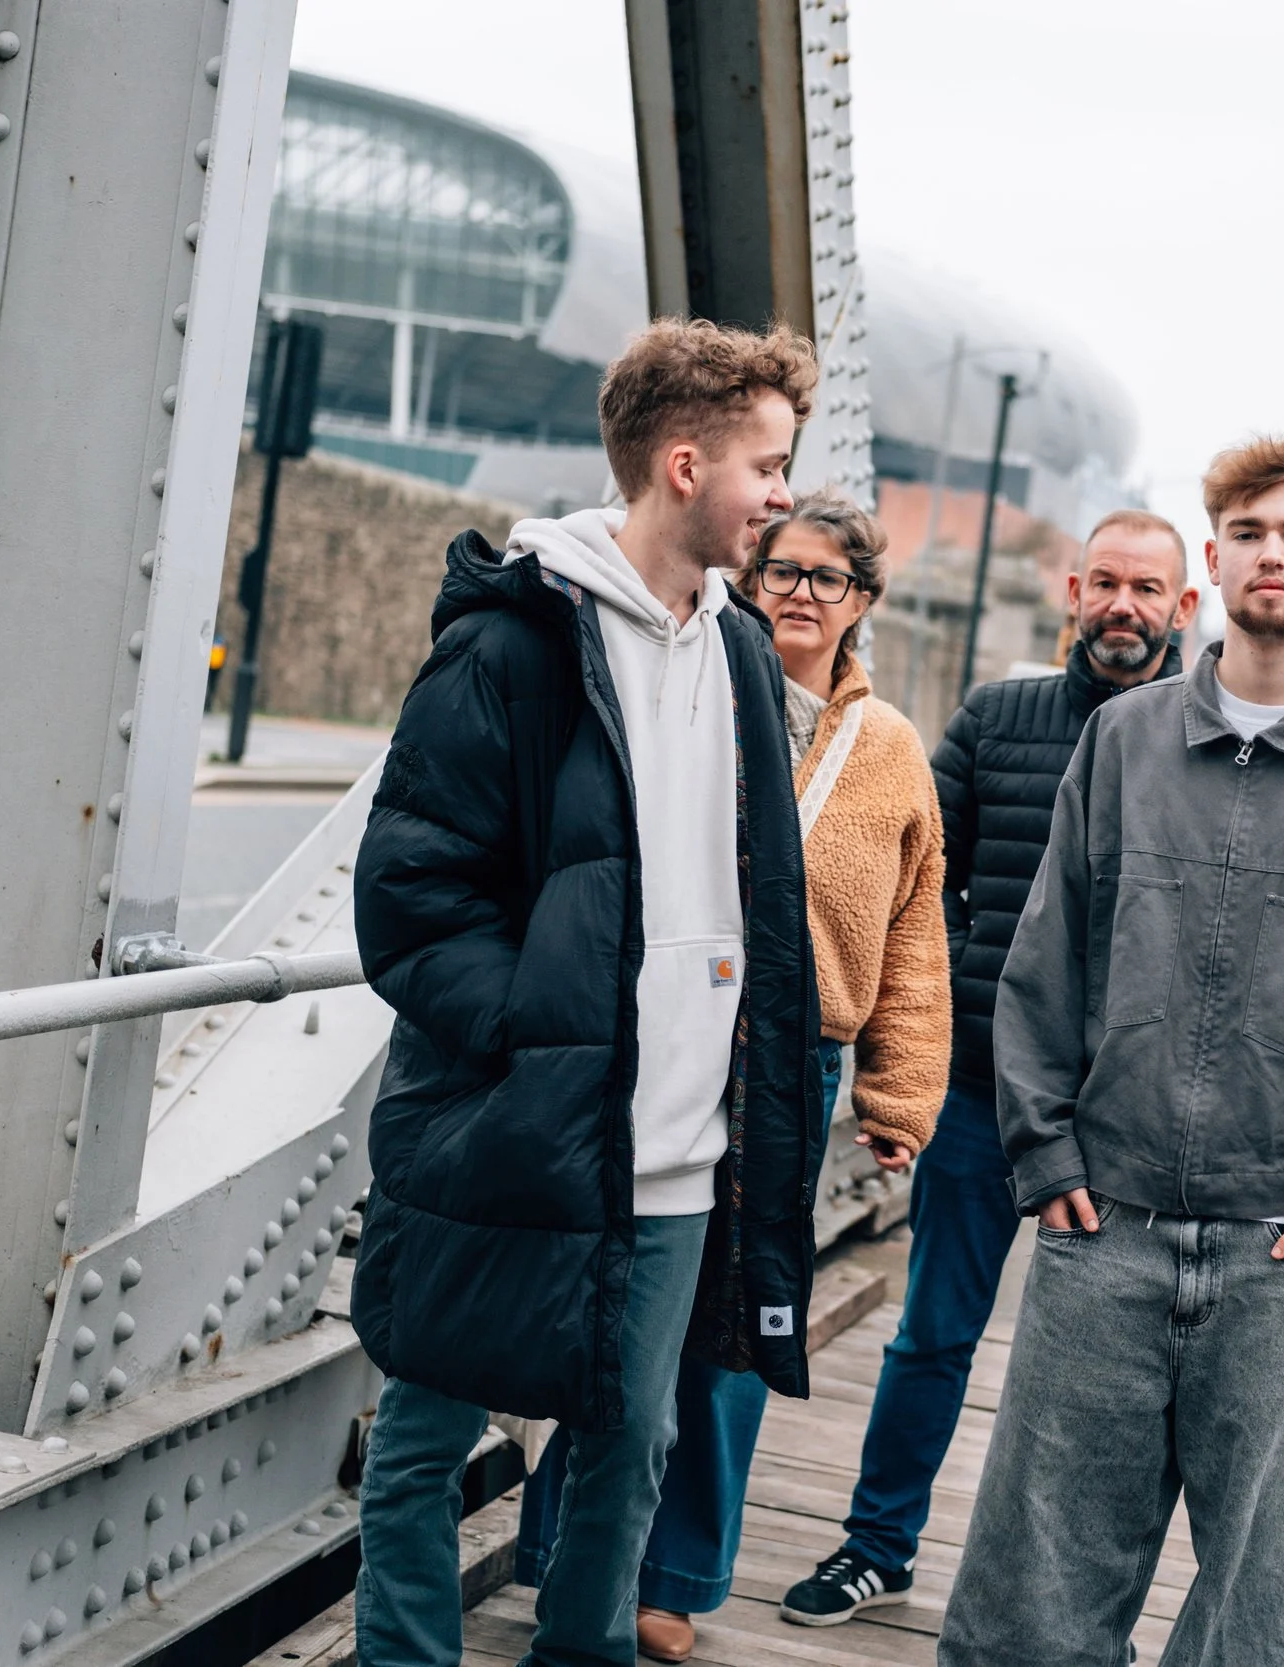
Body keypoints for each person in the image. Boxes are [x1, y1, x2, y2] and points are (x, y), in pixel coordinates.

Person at [939, 425, 1284, 1667]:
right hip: (1103, 1231)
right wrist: (1043, 1151)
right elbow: (1047, 957)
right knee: (1030, 1604)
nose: (1272, 554)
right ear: (1214, 562)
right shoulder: (1122, 742)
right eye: (1247, 533)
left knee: (1262, 1614)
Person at [347, 318, 826, 1667]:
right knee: (429, 1434)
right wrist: (541, 1035)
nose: (781, 494)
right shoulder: (509, 646)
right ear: (685, 465)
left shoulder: (740, 650)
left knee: (635, 1436)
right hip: (516, 1125)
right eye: (767, 465)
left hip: (677, 1152)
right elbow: (410, 896)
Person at [520, 492, 952, 1662]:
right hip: (676, 1028)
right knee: (625, 1304)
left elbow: (914, 932)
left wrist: (899, 1096)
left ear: (862, 601)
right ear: (750, 581)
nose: (801, 592)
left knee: (737, 1323)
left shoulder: (890, 749)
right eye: (782, 569)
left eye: (828, 576)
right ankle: (565, 1548)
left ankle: (672, 1577)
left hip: (795, 1063)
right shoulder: (695, 689)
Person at [780, 508, 1199, 1626]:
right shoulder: (997, 720)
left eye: (1145, 588)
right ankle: (877, 1545)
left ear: (1181, 605)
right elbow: (918, 879)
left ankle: (1058, 1602)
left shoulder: (1205, 745)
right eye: (1104, 582)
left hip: (1120, 1118)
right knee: (932, 1333)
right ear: (1073, 592)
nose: (1122, 605)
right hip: (981, 1094)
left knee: (1097, 1371)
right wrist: (978, 990)